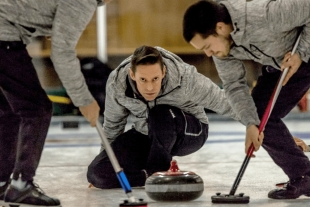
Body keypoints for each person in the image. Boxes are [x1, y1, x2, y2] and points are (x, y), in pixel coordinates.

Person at [182, 0, 310, 200]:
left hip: (301, 54)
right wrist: (250, 123)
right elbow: (234, 85)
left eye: (207, 46)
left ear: (220, 28)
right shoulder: (222, 47)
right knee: (260, 118)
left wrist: (301, 53)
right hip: (281, 64)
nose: (208, 54)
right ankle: (304, 176)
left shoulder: (265, 15)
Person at [87, 45, 249, 188]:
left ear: (163, 72)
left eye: (155, 79)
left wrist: (255, 124)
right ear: (132, 74)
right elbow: (113, 126)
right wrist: (106, 158)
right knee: (98, 174)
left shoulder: (185, 78)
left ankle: (158, 172)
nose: (150, 87)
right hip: (148, 135)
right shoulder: (117, 84)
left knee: (160, 114)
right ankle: (150, 177)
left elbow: (224, 102)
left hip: (189, 132)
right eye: (143, 79)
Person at [0, 0, 110, 206]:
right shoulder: (83, 1)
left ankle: (2, 181)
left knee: (10, 110)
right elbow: (62, 53)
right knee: (37, 109)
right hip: (3, 38)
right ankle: (21, 185)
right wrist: (84, 100)